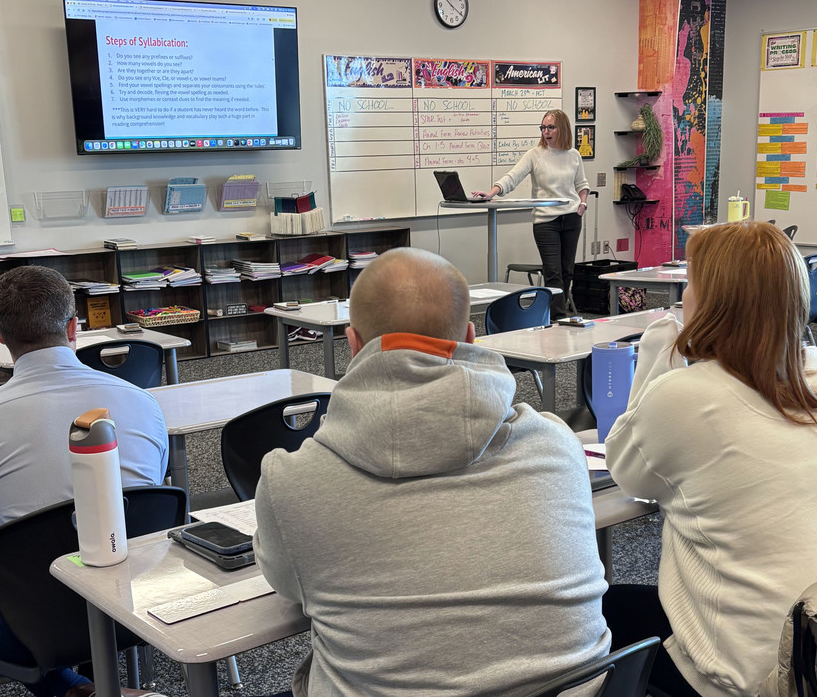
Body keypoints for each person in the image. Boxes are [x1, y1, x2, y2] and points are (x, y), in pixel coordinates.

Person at [254, 247, 611, 697]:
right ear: (469, 336)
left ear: (352, 345)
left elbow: (288, 586)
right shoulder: (555, 443)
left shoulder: (291, 484)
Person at [602, 221, 817, 697]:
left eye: (691, 283)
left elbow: (626, 471)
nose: (684, 295)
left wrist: (654, 357)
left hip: (757, 676)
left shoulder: (686, 396)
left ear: (715, 303)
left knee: (600, 617)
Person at [0, 265, 169, 697]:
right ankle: (92, 680)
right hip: (142, 602)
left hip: (33, 625)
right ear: (75, 326)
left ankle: (66, 687)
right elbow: (152, 502)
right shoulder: (142, 403)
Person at [477, 108, 590, 319]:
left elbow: (582, 184)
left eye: (551, 127)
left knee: (567, 271)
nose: (546, 132)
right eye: (543, 127)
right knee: (553, 271)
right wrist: (491, 192)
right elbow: (512, 177)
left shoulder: (573, 155)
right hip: (546, 221)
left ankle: (558, 311)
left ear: (562, 129)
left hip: (572, 217)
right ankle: (557, 317)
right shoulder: (535, 155)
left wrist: (582, 203)